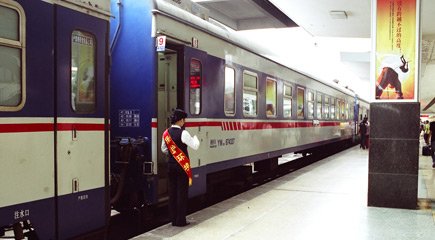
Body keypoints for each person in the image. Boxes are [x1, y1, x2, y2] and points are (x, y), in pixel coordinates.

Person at [161, 109, 200, 226]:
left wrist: (172, 155)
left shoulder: (166, 133)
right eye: (184, 120)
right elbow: (195, 146)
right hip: (181, 167)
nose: (184, 122)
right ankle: (181, 220)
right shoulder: (184, 133)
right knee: (181, 193)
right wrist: (196, 138)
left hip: (171, 166)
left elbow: (163, 149)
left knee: (172, 193)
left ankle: (173, 219)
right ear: (181, 120)